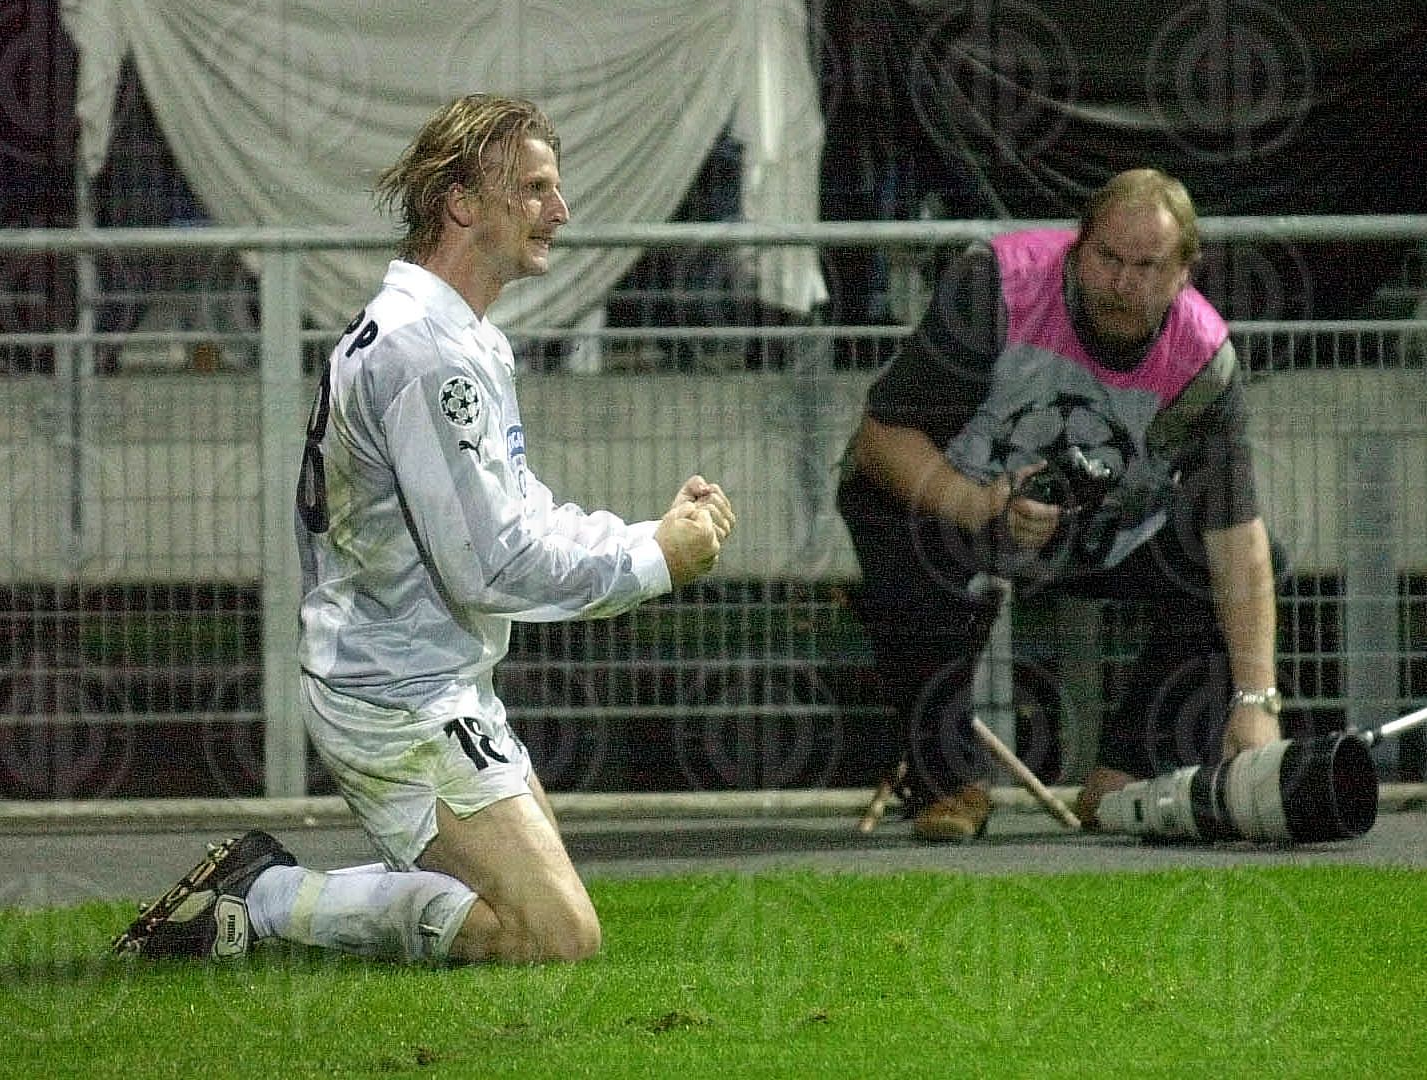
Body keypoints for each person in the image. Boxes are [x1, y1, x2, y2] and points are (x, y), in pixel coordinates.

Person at [114, 95, 735, 963]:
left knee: (530, 913)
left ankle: (270, 895)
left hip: (432, 682)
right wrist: (656, 559)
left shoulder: (457, 337)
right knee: (555, 937)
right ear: (461, 203)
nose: (560, 210)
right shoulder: (427, 352)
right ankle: (263, 899)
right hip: (394, 699)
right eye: (534, 189)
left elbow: (518, 516)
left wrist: (648, 534)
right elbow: (492, 567)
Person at [836, 167, 1282, 841]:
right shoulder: (995, 288)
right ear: (1077, 247)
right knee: (890, 525)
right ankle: (946, 781)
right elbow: (880, 439)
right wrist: (980, 506)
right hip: (954, 499)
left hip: (1100, 531)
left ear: (1183, 274)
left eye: (1146, 267)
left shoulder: (1204, 361)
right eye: (1107, 259)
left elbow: (1235, 537)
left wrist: (1257, 702)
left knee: (1234, 571)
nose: (1122, 283)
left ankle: (1128, 773)